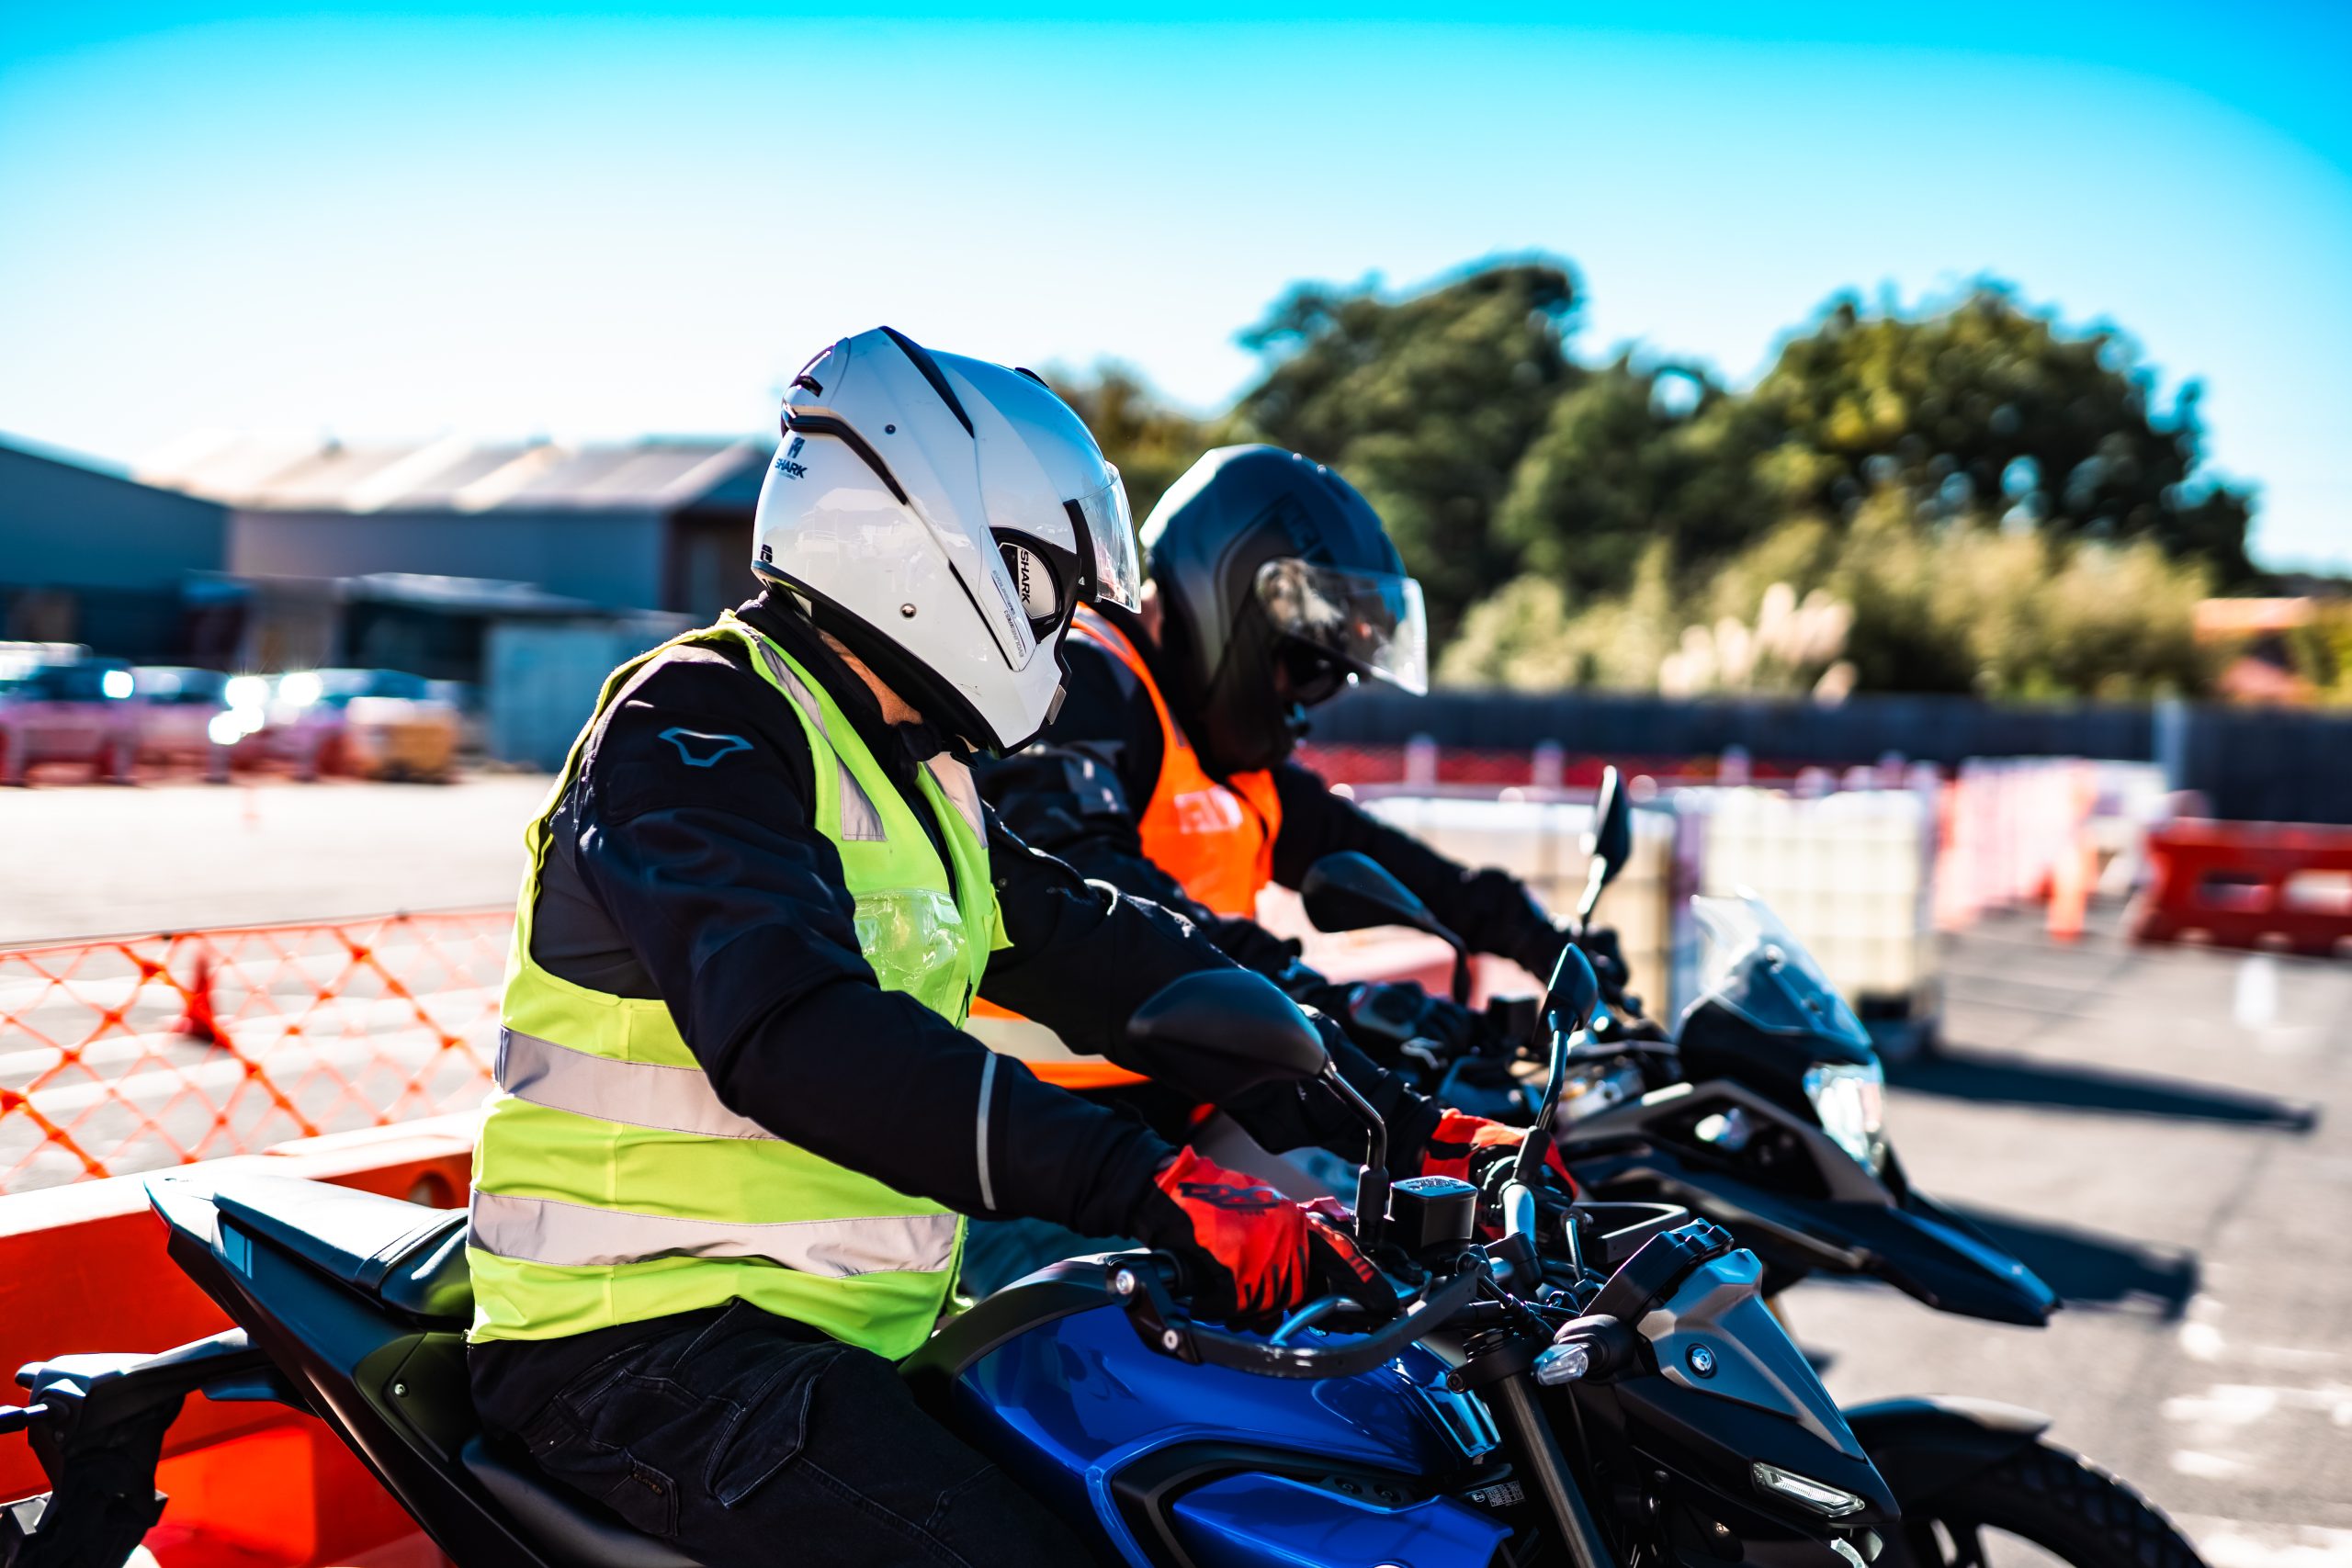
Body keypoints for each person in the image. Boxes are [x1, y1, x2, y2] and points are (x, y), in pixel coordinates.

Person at [465, 329, 1547, 1567]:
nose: (1066, 624)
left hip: (832, 1332)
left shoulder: (920, 773)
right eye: (1049, 587)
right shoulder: (694, 722)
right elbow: (799, 1035)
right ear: (928, 548)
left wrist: (1402, 1123)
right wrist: (1149, 1186)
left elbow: (1115, 954)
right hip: (643, 1346)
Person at [974, 444, 1619, 1069]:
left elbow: (1380, 856)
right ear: (1234, 609)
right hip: (1030, 1112)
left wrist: (1543, 939)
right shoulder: (1078, 680)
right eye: (1309, 670)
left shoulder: (1215, 748)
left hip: (1177, 1096)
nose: (1307, 709)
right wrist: (1316, 996)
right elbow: (1088, 878)